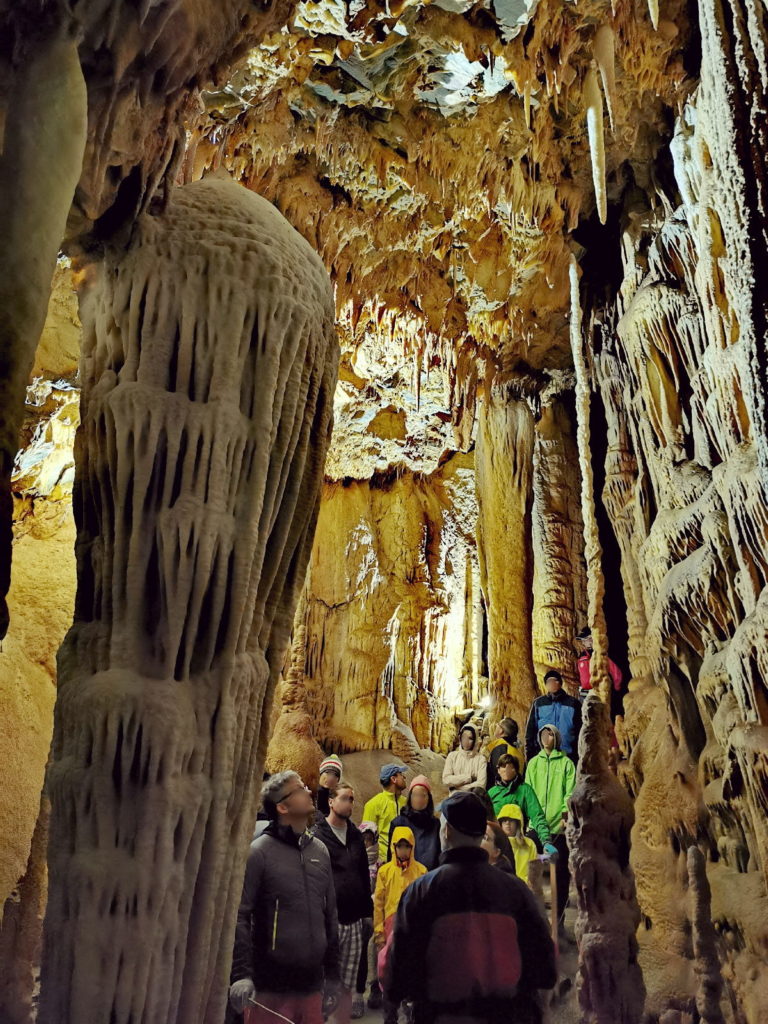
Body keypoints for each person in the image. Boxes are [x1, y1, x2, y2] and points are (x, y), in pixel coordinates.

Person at [385, 791, 557, 1024]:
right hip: (507, 1016)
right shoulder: (515, 891)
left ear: (446, 831)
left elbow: (399, 972)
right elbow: (545, 969)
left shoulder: (422, 891)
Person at [230, 771, 339, 1024]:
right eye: (300, 789)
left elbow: (330, 915)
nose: (309, 791)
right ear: (282, 806)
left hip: (312, 986)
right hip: (270, 989)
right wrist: (241, 974)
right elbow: (240, 915)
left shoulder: (320, 851)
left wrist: (333, 974)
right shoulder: (259, 853)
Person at [312, 783, 373, 1024]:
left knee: (346, 985)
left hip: (355, 920)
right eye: (346, 798)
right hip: (329, 921)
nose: (351, 803)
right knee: (325, 982)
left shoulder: (356, 835)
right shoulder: (318, 836)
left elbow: (362, 875)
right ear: (330, 802)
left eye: (353, 799)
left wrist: (367, 913)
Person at [374, 826, 427, 1024]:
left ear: (412, 847)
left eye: (407, 846)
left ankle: (411, 1010)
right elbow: (378, 903)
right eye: (399, 846)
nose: (403, 850)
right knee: (388, 970)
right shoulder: (385, 872)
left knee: (411, 970)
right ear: (393, 847)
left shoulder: (421, 871)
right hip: (389, 927)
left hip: (412, 928)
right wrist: (379, 931)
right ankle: (390, 1013)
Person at [525, 725, 576, 924]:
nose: (547, 738)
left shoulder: (566, 764)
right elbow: (529, 792)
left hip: (557, 827)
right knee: (530, 873)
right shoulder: (533, 764)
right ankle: (533, 920)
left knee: (560, 875)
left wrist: (565, 815)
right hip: (536, 826)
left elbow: (569, 792)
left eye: (551, 734)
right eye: (544, 734)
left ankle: (559, 920)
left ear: (557, 738)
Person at [488, 754, 557, 858]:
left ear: (515, 770)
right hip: (496, 844)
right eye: (503, 767)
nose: (506, 770)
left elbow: (537, 816)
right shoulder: (492, 793)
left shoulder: (525, 790)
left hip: (518, 843)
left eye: (510, 767)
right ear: (498, 770)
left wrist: (546, 841)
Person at [525, 670, 582, 763]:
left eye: (555, 680)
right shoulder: (539, 703)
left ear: (560, 683)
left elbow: (579, 730)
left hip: (568, 756)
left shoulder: (573, 703)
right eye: (549, 681)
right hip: (544, 756)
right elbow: (530, 731)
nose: (552, 684)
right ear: (546, 685)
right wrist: (529, 757)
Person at [387, 775, 441, 871]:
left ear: (429, 798)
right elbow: (391, 857)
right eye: (415, 795)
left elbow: (438, 855)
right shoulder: (398, 823)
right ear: (410, 797)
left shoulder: (435, 824)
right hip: (403, 879)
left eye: (422, 795)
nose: (418, 799)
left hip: (429, 879)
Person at [358, 822, 382, 1013]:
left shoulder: (380, 864)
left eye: (369, 839)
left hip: (375, 912)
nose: (366, 844)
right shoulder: (354, 861)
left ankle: (375, 986)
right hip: (358, 912)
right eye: (363, 839)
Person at [363, 764, 408, 863]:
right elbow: (367, 839)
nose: (404, 777)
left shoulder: (407, 803)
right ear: (393, 779)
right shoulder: (373, 804)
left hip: (405, 860)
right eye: (401, 774)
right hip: (382, 862)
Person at [575, 626, 622, 699]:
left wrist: (617, 688)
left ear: (591, 638)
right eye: (582, 641)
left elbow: (615, 672)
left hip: (598, 691)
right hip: (584, 692)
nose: (583, 643)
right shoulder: (582, 656)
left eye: (585, 640)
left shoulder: (600, 654)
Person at [497, 804, 538, 884]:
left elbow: (534, 871)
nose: (507, 823)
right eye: (504, 820)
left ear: (518, 823)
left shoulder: (529, 844)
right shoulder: (496, 843)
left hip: (525, 888)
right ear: (500, 823)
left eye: (511, 820)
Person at [442, 723, 487, 792]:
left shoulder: (481, 759)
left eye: (470, 738)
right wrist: (467, 778)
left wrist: (457, 788)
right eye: (464, 737)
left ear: (475, 740)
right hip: (454, 799)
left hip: (472, 798)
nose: (466, 741)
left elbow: (481, 784)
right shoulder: (452, 756)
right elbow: (446, 780)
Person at [486, 717, 524, 788]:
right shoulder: (517, 750)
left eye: (497, 725)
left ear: (501, 730)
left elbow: (497, 774)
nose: (495, 728)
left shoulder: (500, 748)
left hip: (502, 792)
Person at [316, 754, 343, 818]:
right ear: (320, 774)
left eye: (336, 775)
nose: (331, 778)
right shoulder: (309, 796)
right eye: (328, 772)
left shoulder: (338, 803)